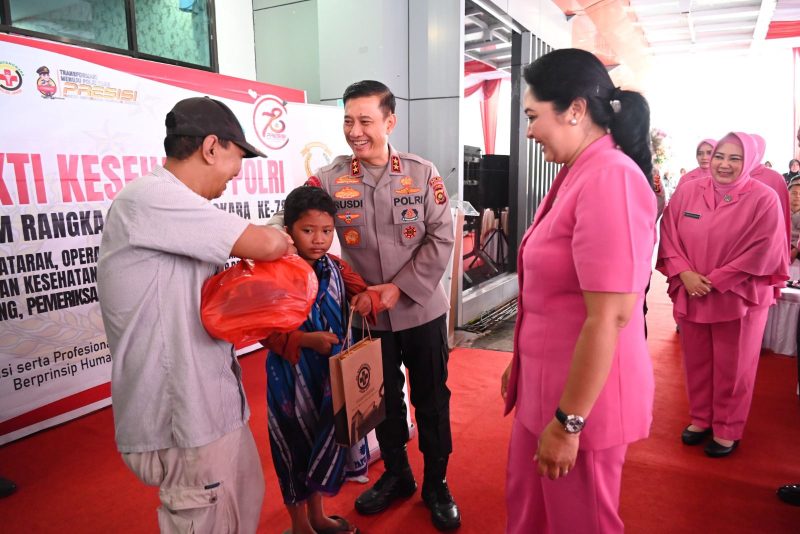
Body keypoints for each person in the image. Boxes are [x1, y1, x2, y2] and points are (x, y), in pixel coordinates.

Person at [97, 96, 292, 533]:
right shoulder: (149, 198)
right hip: (181, 416)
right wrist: (284, 235)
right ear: (210, 148)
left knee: (240, 505)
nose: (234, 175)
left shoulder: (177, 208)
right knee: (208, 517)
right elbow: (265, 245)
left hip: (211, 402)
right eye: (235, 159)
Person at [272, 80, 458, 530]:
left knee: (431, 400)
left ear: (389, 122)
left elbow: (443, 236)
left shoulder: (422, 173)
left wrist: (399, 287)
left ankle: (437, 483)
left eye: (365, 121)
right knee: (378, 400)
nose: (355, 131)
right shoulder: (330, 178)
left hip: (420, 310)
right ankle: (397, 475)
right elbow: (289, 220)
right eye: (348, 121)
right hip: (364, 318)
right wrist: (259, 241)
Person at [500, 48, 657, 533]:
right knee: (530, 509)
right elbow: (555, 296)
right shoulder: (576, 172)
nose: (528, 131)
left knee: (577, 521)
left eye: (533, 116)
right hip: (548, 386)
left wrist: (570, 423)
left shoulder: (611, 178)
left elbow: (609, 316)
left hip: (584, 402)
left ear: (574, 110)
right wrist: (521, 364)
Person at [657, 132, 788, 458]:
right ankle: (701, 418)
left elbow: (764, 248)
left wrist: (715, 280)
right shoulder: (688, 191)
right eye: (719, 156)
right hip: (692, 290)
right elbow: (669, 234)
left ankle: (729, 427)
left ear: (750, 162)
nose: (724, 164)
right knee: (696, 360)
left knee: (735, 366)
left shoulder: (764, 197)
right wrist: (684, 273)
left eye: (735, 158)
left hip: (739, 296)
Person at [262, 186, 382, 534]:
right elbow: (262, 329)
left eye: (326, 231)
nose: (318, 240)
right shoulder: (274, 272)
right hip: (289, 378)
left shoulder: (336, 267)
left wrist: (365, 301)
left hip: (328, 377)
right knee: (292, 450)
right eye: (308, 230)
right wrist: (304, 340)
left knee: (320, 444)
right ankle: (300, 525)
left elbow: (363, 291)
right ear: (288, 231)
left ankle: (317, 516)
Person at [751, 134, 791, 252]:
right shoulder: (731, 175)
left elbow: (783, 215)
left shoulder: (775, 178)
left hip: (764, 242)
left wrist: (784, 250)